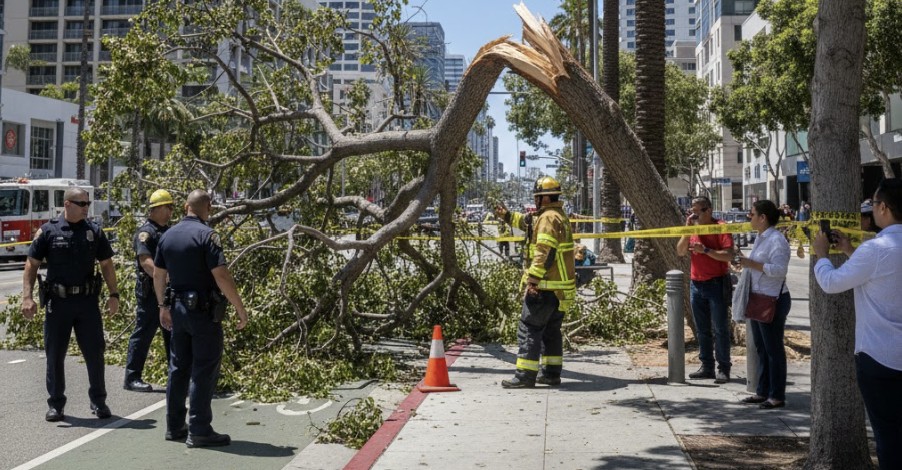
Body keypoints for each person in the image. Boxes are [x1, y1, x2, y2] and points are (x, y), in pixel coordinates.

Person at [813, 179, 902, 469]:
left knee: (888, 435)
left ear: (884, 208)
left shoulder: (876, 249)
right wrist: (852, 251)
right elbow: (880, 276)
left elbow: (831, 282)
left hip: (880, 357)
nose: (872, 210)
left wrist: (822, 255)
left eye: (873, 205)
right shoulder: (872, 251)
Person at [153, 190, 249, 447]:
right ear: (207, 206)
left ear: (185, 207)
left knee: (178, 368)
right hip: (203, 313)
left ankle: (174, 427)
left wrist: (162, 306)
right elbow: (221, 275)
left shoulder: (167, 235)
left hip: (177, 311)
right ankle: (199, 429)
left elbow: (158, 275)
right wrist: (240, 308)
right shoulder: (208, 235)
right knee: (204, 369)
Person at [21, 188, 120, 422]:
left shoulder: (94, 232)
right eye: (81, 203)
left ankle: (98, 401)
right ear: (67, 204)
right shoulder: (48, 231)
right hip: (58, 302)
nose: (86, 207)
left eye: (88, 203)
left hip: (86, 302)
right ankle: (56, 404)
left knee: (95, 353)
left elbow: (106, 264)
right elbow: (31, 264)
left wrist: (114, 294)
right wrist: (27, 297)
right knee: (55, 354)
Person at [494, 176, 575, 388]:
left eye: (538, 197)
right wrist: (507, 216)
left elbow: (544, 252)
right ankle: (550, 373)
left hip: (545, 286)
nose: (536, 201)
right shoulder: (555, 215)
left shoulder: (548, 218)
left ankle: (525, 376)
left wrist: (533, 280)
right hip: (559, 290)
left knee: (529, 328)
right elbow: (527, 222)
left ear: (545, 198)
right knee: (551, 331)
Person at [735, 200, 791, 409]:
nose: (749, 217)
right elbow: (758, 266)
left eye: (752, 214)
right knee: (761, 347)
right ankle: (762, 391)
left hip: (772, 300)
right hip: (758, 298)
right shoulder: (761, 237)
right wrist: (745, 262)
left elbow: (779, 270)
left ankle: (776, 395)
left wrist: (752, 264)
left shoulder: (776, 240)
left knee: (773, 349)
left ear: (763, 217)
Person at [676, 196, 734, 383]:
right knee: (702, 329)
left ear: (708, 210)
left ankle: (723, 367)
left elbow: (729, 255)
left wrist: (706, 251)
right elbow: (680, 251)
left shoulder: (721, 226)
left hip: (716, 283)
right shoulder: (693, 227)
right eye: (691, 211)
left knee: (720, 328)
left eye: (696, 211)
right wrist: (687, 229)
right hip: (696, 284)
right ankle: (706, 366)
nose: (693, 214)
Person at [124, 189, 175, 392]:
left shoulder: (169, 231)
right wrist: (166, 277)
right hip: (150, 292)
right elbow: (146, 262)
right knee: (144, 333)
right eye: (169, 207)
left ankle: (175, 376)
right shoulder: (146, 233)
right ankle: (132, 377)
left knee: (172, 333)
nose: (172, 211)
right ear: (158, 208)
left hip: (169, 291)